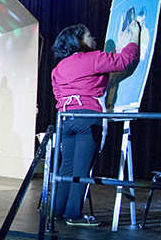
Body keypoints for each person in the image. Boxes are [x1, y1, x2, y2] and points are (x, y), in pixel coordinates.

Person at [51, 21, 140, 226]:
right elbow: (125, 60)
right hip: (87, 118)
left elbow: (58, 94)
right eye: (89, 36)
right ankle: (73, 215)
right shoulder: (91, 58)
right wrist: (134, 36)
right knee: (81, 169)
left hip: (65, 119)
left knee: (66, 168)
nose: (94, 39)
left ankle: (57, 211)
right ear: (79, 41)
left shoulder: (58, 68)